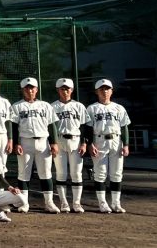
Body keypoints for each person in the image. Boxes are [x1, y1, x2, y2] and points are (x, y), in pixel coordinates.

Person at [9, 77, 60, 213]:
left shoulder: (45, 105)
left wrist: (54, 142)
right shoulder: (17, 106)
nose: (29, 90)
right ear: (23, 90)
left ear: (36, 89)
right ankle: (24, 203)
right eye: (27, 88)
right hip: (25, 142)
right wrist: (16, 143)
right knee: (23, 173)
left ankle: (49, 203)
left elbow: (51, 125)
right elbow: (14, 127)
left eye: (32, 88)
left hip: (43, 141)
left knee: (46, 173)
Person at [86, 78, 131, 213]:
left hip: (116, 140)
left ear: (111, 91)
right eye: (101, 89)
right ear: (96, 92)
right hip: (99, 140)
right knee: (100, 173)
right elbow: (88, 128)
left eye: (107, 89)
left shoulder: (119, 108)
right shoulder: (92, 108)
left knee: (116, 173)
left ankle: (116, 203)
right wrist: (90, 144)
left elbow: (124, 127)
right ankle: (102, 203)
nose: (104, 91)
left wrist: (126, 144)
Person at [52, 78, 90, 213]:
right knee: (61, 173)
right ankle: (63, 203)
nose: (65, 91)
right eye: (62, 89)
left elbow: (85, 126)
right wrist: (53, 143)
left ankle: (76, 203)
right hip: (60, 140)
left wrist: (84, 143)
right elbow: (50, 128)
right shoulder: (52, 107)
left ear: (72, 90)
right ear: (58, 90)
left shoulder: (79, 106)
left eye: (67, 88)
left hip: (76, 140)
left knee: (76, 173)